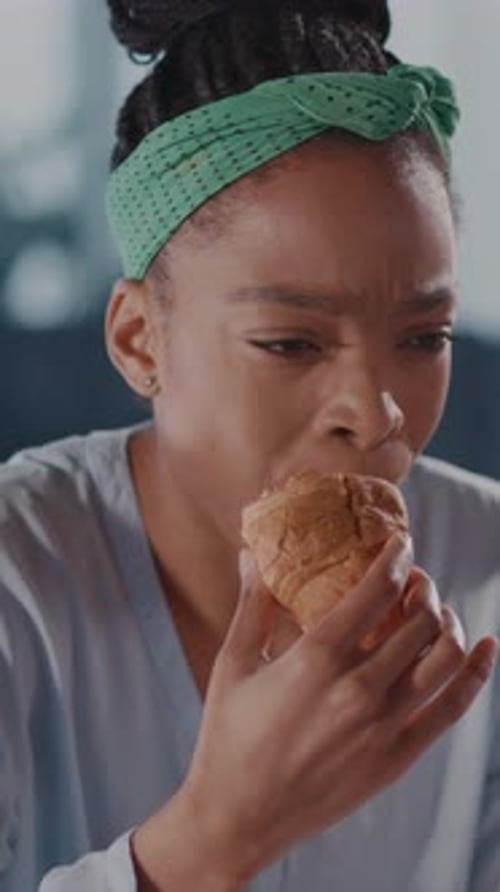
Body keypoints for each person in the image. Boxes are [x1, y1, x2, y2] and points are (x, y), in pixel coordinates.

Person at [1, 1, 499, 889]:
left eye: (425, 338)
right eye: (292, 344)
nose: (375, 411)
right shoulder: (20, 577)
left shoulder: (489, 567)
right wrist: (219, 832)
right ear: (139, 341)